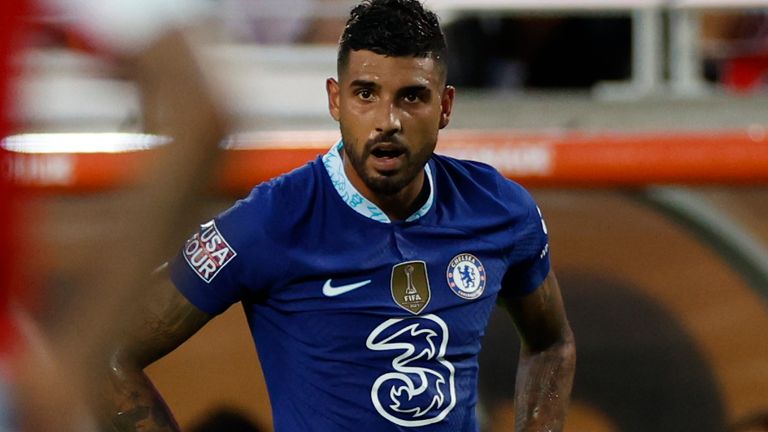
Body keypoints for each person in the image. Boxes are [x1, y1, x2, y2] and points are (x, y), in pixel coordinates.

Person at [102, 0, 576, 431]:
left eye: (411, 96)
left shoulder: (499, 210)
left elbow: (552, 345)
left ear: (445, 106)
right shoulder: (271, 221)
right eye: (366, 94)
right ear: (335, 99)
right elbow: (110, 351)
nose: (387, 120)